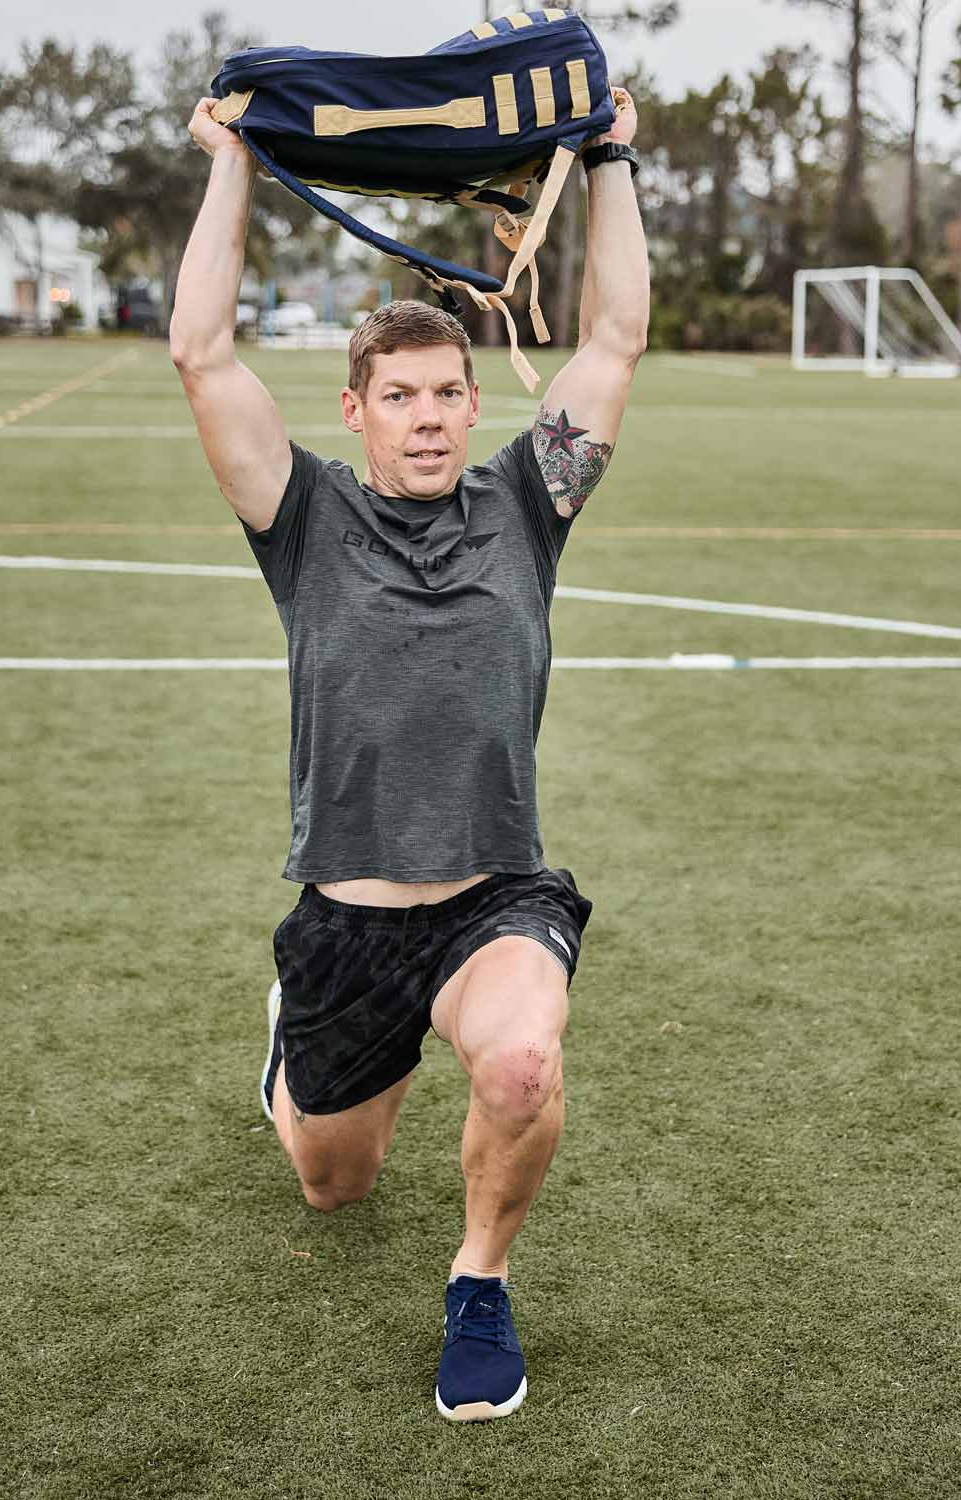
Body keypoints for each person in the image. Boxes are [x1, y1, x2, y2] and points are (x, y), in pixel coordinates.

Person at [172, 85, 648, 1422]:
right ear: (360, 408)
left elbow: (616, 335)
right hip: (349, 923)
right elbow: (202, 356)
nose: (433, 416)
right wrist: (232, 163)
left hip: (495, 900)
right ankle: (295, 1059)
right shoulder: (305, 516)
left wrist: (607, 155)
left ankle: (480, 1285)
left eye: (448, 391)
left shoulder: (526, 502)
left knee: (519, 1064)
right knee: (336, 1183)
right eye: (402, 396)